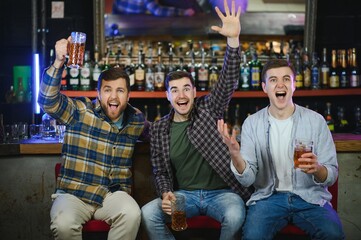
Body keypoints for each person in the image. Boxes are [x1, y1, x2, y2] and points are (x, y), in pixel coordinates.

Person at [141, 0, 253, 239]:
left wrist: (233, 41)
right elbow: (160, 171)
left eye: (186, 89)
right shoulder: (160, 128)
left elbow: (228, 81)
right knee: (148, 213)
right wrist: (166, 194)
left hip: (222, 194)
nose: (181, 95)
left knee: (234, 216)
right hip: (185, 196)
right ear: (167, 96)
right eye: (174, 90)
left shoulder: (208, 109)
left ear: (194, 92)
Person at [218, 59, 345, 239]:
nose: (280, 84)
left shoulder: (316, 121)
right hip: (268, 199)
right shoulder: (252, 123)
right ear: (264, 87)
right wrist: (235, 155)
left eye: (286, 79)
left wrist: (318, 169)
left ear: (294, 85)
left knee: (333, 234)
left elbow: (331, 175)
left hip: (310, 198)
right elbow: (247, 180)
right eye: (273, 80)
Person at [38, 38, 149, 240]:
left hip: (112, 195)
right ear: (98, 93)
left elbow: (161, 133)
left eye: (120, 91)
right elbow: (47, 101)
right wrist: (58, 62)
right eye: (107, 90)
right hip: (74, 194)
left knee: (132, 214)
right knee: (63, 224)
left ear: (128, 96)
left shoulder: (136, 119)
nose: (114, 97)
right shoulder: (80, 111)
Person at [112, 0, 196, 17]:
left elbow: (115, 8)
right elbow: (158, 11)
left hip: (121, 28)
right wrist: (183, 12)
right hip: (138, 30)